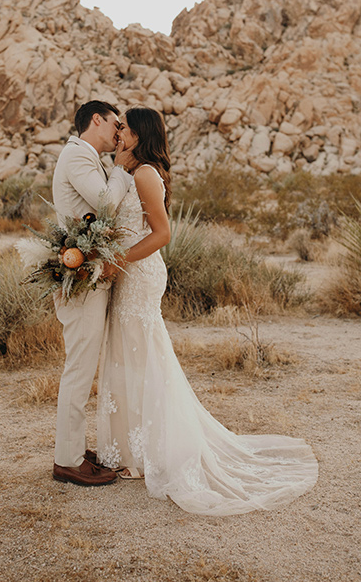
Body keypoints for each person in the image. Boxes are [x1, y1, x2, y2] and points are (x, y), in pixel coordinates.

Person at [97, 106, 318, 515]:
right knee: (128, 356)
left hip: (139, 273)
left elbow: (162, 233)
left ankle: (146, 455)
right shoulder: (132, 170)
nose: (117, 132)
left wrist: (118, 261)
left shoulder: (145, 174)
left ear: (139, 132)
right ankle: (129, 449)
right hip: (129, 271)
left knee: (141, 356)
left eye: (123, 127)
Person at [52, 100, 135, 486]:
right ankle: (67, 460)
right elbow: (103, 203)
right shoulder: (77, 157)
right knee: (80, 367)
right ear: (96, 120)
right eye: (115, 124)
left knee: (84, 364)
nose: (120, 132)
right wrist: (120, 168)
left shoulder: (88, 157)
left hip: (90, 271)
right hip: (82, 276)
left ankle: (72, 446)